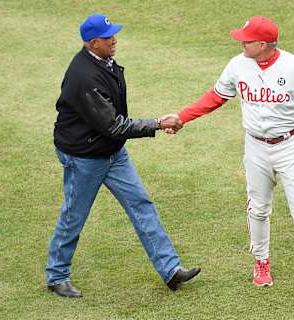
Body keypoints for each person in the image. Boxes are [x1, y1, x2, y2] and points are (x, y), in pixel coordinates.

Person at [170, 16, 294, 306]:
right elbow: (215, 96)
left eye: (246, 39)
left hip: (290, 148)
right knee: (258, 209)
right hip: (256, 147)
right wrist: (182, 117)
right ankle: (261, 262)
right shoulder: (238, 65)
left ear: (263, 44)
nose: (240, 42)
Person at [46, 13, 199, 298]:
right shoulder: (84, 77)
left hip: (111, 152)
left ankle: (171, 270)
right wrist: (157, 123)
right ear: (92, 43)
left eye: (113, 34)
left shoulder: (104, 62)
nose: (114, 39)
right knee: (74, 215)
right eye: (107, 37)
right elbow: (113, 125)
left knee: (142, 204)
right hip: (85, 157)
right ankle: (57, 275)